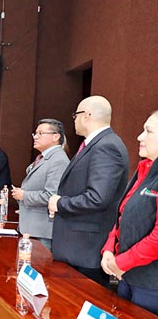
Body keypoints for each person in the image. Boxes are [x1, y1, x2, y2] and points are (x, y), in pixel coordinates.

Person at [48, 96, 129, 286]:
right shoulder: (94, 144)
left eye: (75, 115)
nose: (74, 120)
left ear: (87, 116)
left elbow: (97, 198)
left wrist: (60, 203)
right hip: (78, 247)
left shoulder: (106, 147)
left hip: (85, 249)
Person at [101, 110, 158, 314]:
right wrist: (109, 249)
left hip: (151, 285)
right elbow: (122, 216)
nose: (139, 137)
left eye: (148, 131)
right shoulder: (144, 169)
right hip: (128, 276)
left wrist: (121, 262)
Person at [11, 119, 70, 251]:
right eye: (35, 133)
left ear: (56, 136)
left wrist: (24, 195)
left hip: (42, 230)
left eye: (40, 133)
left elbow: (52, 196)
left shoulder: (58, 160)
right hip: (32, 227)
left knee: (38, 269)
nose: (35, 137)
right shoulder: (44, 158)